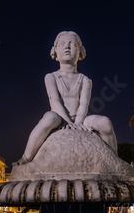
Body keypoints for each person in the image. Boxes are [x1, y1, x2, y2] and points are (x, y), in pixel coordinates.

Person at [13, 31, 117, 166]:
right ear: (55, 51)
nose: (67, 47)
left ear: (80, 51)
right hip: (59, 118)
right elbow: (55, 101)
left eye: (72, 44)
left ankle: (115, 159)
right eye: (62, 44)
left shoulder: (85, 79)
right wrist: (68, 123)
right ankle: (26, 156)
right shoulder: (51, 77)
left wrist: (78, 123)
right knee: (49, 117)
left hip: (81, 120)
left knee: (105, 123)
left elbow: (84, 104)